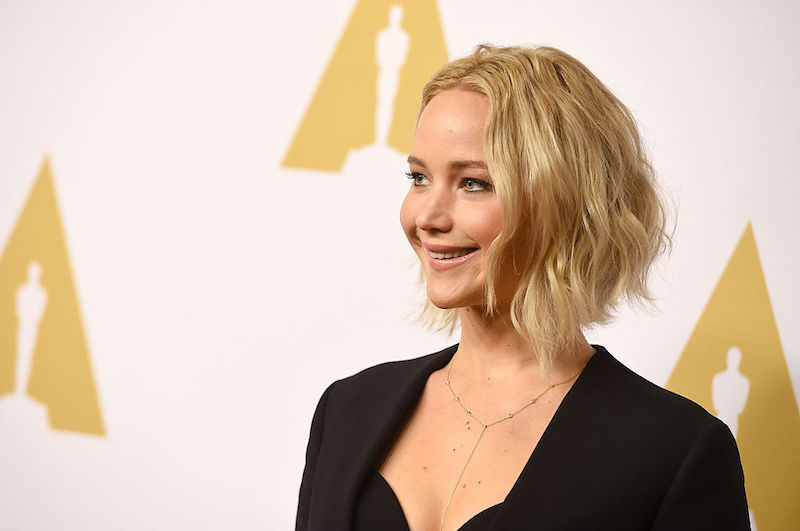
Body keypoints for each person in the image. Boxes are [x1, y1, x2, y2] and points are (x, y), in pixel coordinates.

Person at [296, 44, 750, 531]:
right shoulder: (346, 409)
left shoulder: (675, 451)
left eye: (473, 183)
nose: (427, 216)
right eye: (419, 177)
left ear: (566, 204)